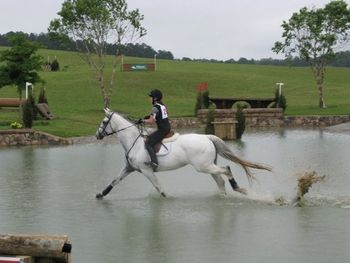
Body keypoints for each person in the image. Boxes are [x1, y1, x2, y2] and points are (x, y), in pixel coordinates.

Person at [141, 89, 171, 171]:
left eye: (151, 97)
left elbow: (151, 121)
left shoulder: (155, 107)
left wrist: (142, 121)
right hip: (167, 127)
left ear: (155, 98)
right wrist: (149, 116)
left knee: (148, 142)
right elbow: (164, 114)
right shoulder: (163, 105)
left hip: (162, 130)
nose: (149, 98)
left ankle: (154, 162)